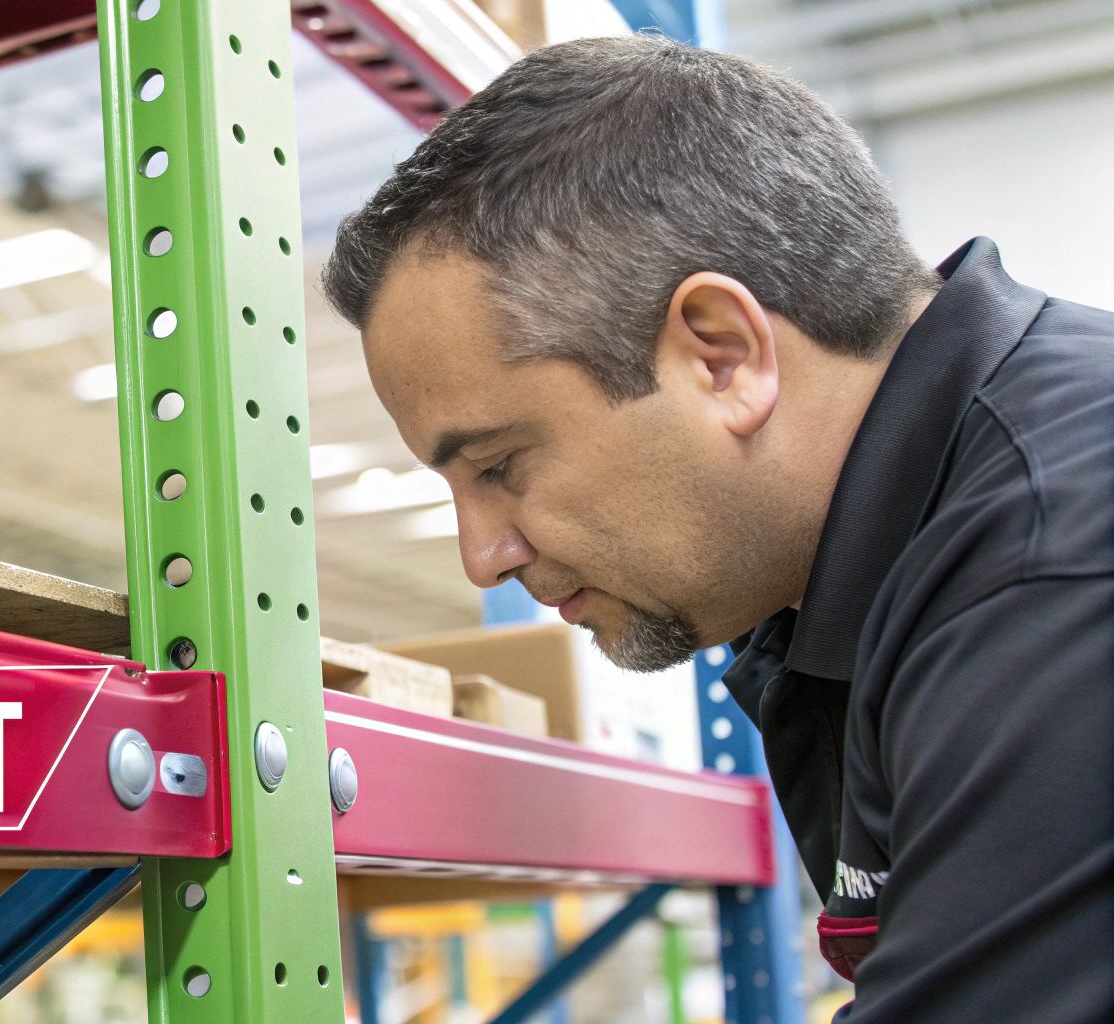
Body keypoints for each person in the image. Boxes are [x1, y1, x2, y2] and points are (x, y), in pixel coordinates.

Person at [321, 33, 1114, 1022]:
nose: (483, 555)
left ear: (722, 356)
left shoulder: (1055, 570)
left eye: (499, 465)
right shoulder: (869, 578)